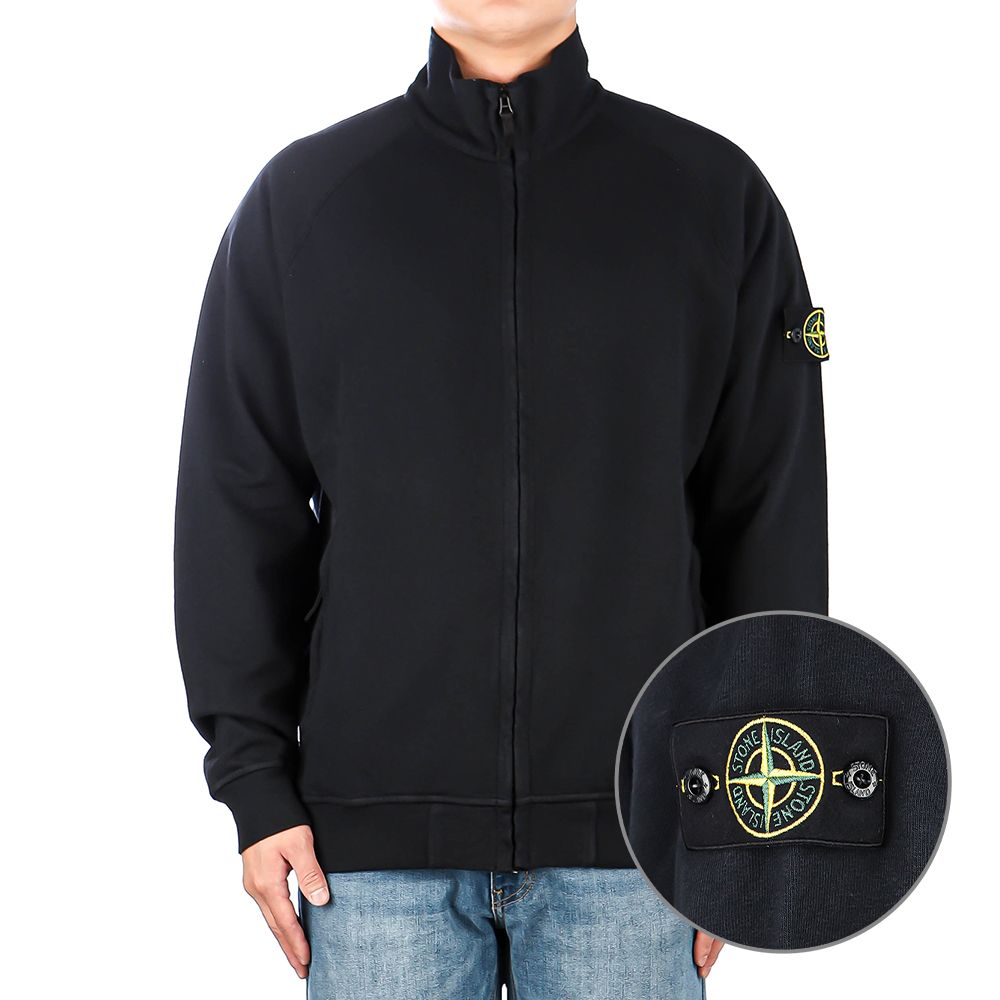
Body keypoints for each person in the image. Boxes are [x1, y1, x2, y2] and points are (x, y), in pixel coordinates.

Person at [173, 1, 827, 995]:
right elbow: (237, 500)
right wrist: (254, 784)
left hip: (640, 839)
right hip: (369, 851)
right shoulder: (307, 201)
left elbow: (769, 510)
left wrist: (753, 806)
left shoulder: (712, 193)